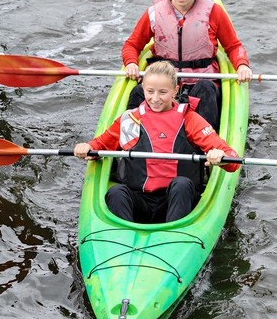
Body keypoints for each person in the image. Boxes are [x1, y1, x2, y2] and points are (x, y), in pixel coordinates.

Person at [74, 62, 241, 224]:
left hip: (176, 200)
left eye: (163, 92)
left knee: (181, 185)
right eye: (150, 91)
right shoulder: (130, 118)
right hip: (140, 199)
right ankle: (121, 233)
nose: (155, 98)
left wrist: (220, 156)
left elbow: (232, 159)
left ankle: (174, 234)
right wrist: (87, 147)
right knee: (116, 192)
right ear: (143, 89)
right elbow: (101, 144)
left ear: (175, 90)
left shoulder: (190, 119)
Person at [123, 0, 253, 131]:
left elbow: (234, 46)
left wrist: (242, 65)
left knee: (206, 89)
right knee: (138, 92)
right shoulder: (154, 13)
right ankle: (130, 141)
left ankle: (205, 142)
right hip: (164, 84)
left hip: (201, 83)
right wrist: (131, 63)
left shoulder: (214, 13)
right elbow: (131, 45)